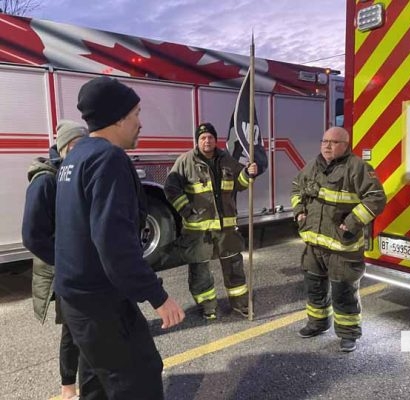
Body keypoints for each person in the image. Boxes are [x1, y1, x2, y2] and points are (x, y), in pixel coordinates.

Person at [54, 76, 185, 399]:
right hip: (101, 301)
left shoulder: (75, 156)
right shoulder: (108, 159)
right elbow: (114, 245)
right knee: (138, 379)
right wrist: (158, 296)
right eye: (136, 114)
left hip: (78, 297)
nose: (140, 123)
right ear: (118, 118)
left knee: (98, 381)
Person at [290, 126, 386, 352]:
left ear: (345, 145)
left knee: (343, 291)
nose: (327, 145)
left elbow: (376, 198)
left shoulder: (357, 168)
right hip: (314, 244)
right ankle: (317, 323)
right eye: (324, 141)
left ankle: (348, 334)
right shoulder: (313, 166)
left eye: (333, 142)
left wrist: (352, 222)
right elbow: (296, 187)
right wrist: (299, 211)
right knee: (314, 287)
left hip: (343, 245)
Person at [163, 122, 257, 320]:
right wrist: (187, 211)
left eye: (210, 137)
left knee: (234, 266)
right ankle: (208, 307)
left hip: (226, 228)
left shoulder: (226, 159)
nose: (207, 141)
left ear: (216, 140)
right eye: (203, 138)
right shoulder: (185, 161)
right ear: (197, 141)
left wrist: (248, 174)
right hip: (199, 230)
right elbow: (171, 188)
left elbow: (240, 184)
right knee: (200, 270)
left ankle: (240, 304)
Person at [22, 120, 88, 400]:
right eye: (77, 144)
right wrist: (64, 261)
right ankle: (67, 388)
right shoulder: (46, 180)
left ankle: (87, 383)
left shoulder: (70, 173)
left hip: (80, 268)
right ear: (64, 147)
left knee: (85, 328)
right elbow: (32, 236)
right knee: (73, 331)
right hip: (65, 270)